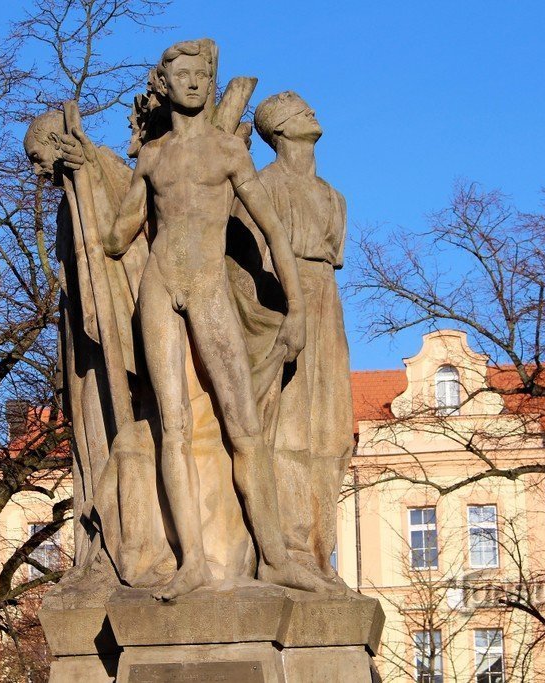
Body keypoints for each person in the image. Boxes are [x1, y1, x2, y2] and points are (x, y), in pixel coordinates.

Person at [103, 40, 335, 600]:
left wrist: (297, 310)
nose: (192, 84)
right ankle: (192, 565)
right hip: (160, 287)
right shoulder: (152, 157)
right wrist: (98, 182)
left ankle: (275, 558)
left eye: (200, 76)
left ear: (210, 82)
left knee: (243, 425)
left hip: (207, 286)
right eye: (180, 75)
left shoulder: (230, 153)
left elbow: (273, 233)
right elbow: (116, 236)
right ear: (167, 83)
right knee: (173, 428)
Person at [251, 92, 354, 581]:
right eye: (299, 108)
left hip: (325, 302)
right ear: (278, 128)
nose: (312, 111)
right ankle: (287, 549)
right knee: (288, 428)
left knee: (330, 430)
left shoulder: (335, 197)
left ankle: (319, 551)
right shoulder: (263, 185)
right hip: (278, 298)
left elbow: (331, 255)